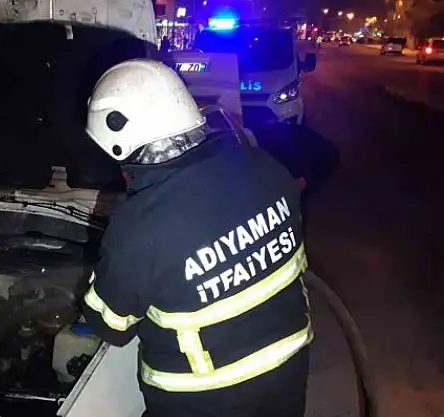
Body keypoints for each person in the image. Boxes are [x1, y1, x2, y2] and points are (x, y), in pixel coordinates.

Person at [81, 59, 313, 417]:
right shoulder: (264, 166)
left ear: (118, 144)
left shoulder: (140, 227)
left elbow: (112, 326)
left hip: (203, 399)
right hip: (289, 370)